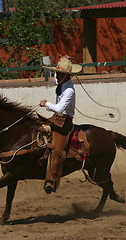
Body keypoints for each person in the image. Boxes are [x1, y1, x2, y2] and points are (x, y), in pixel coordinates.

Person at [40, 56, 82, 194]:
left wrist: (46, 104)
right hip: (56, 119)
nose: (57, 75)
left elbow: (59, 109)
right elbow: (55, 79)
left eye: (59, 73)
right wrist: (60, 62)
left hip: (64, 122)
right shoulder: (61, 81)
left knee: (56, 150)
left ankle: (51, 181)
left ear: (66, 75)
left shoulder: (69, 90)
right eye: (56, 73)